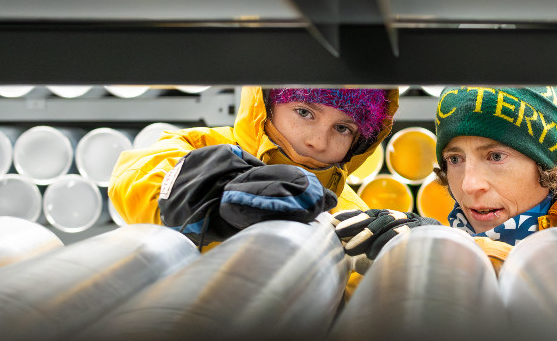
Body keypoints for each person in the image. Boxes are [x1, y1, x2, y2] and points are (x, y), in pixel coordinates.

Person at [109, 87, 399, 291]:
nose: (318, 142)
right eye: (304, 112)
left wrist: (398, 264)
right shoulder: (204, 148)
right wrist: (207, 195)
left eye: (342, 129)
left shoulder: (354, 218)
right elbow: (137, 177)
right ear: (267, 103)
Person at [333, 86, 557, 274]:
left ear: (550, 167)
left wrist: (445, 249)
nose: (468, 185)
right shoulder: (461, 237)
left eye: (495, 156)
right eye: (454, 159)